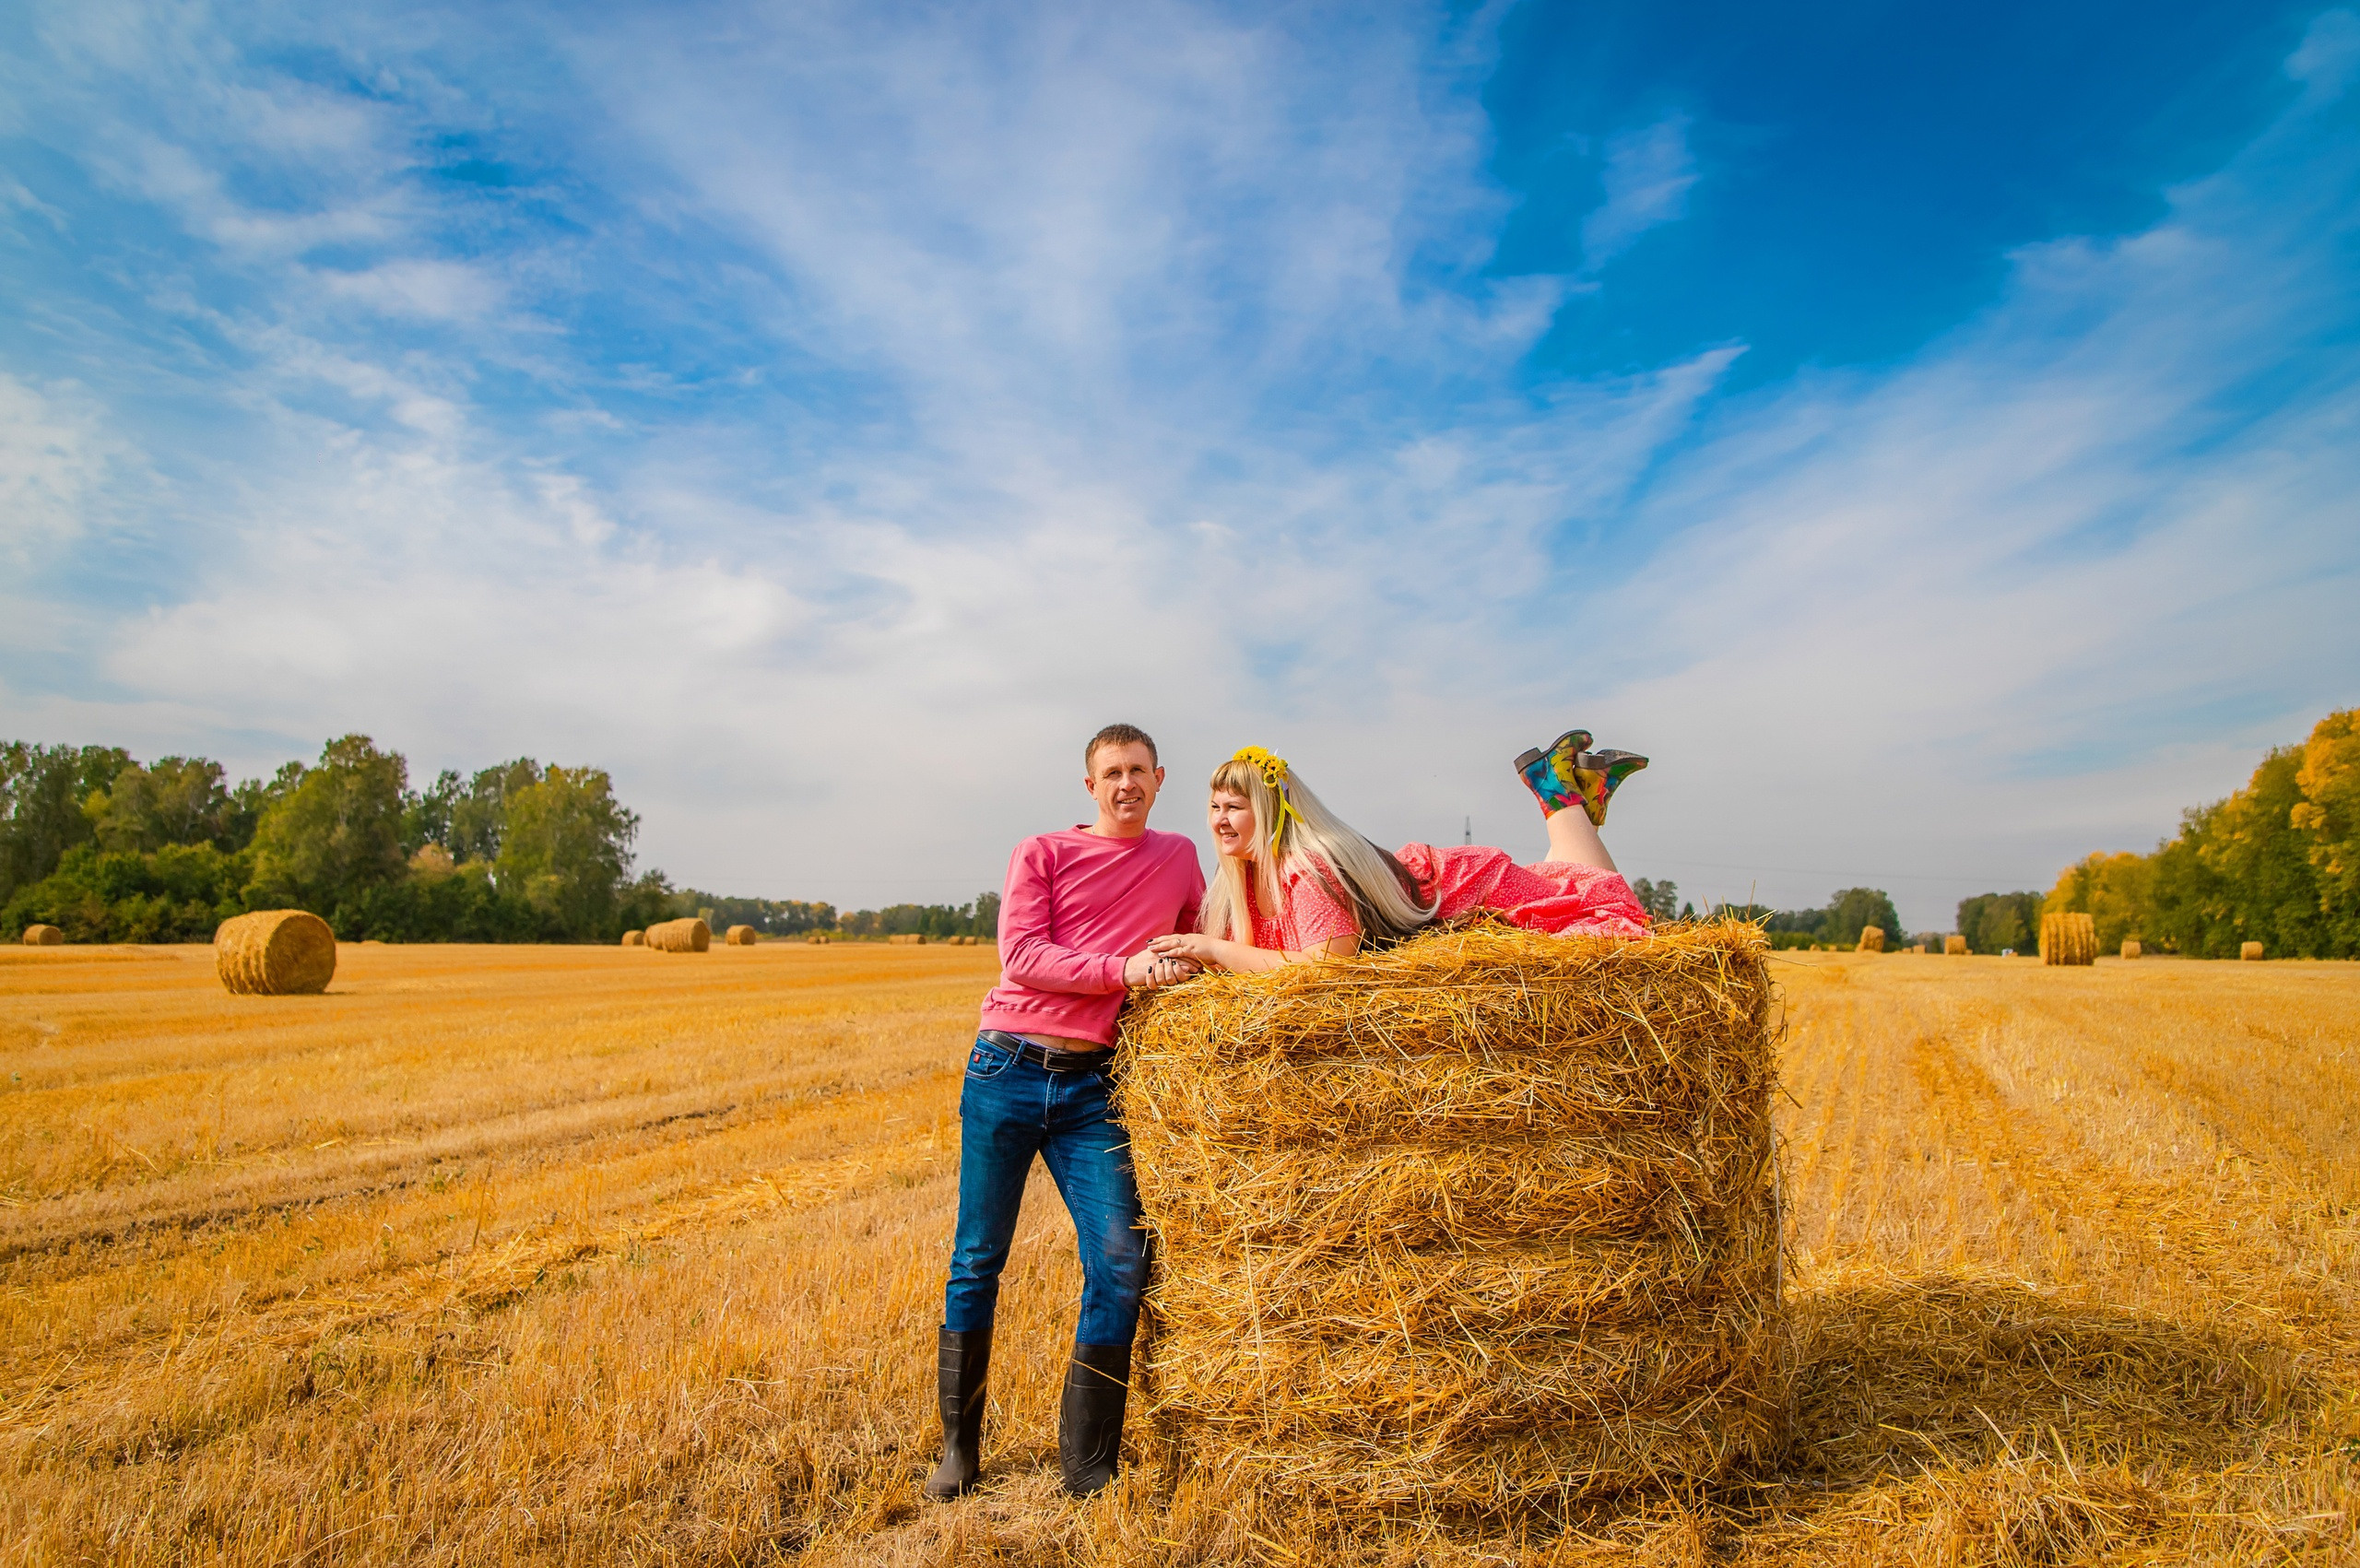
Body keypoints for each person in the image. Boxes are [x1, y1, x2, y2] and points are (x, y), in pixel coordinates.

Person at [926, 723, 1204, 1502]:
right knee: (979, 1257)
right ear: (1090, 786)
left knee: (1121, 1257)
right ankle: (960, 1448)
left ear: (1159, 776)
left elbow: (1201, 937)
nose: (1126, 784)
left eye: (1138, 771)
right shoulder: (1041, 851)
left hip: (1093, 1089)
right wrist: (1124, 968)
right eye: (1111, 772)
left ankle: (1087, 1463)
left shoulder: (1180, 856)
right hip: (1007, 1069)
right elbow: (1022, 957)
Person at [1148, 730, 1649, 973]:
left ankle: (1558, 791)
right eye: (1214, 806)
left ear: (1271, 810)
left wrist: (1213, 949)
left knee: (1598, 910)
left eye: (1234, 806)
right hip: (1428, 888)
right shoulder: (1242, 880)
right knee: (1569, 882)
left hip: (1463, 888)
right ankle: (1582, 795)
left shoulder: (1310, 868)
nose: (1218, 819)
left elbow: (1326, 967)